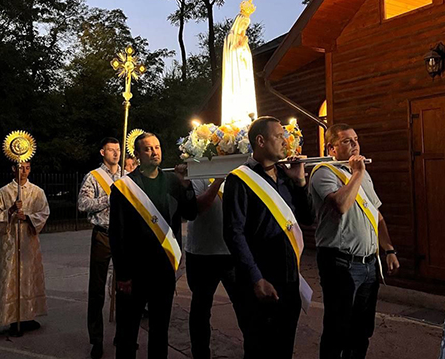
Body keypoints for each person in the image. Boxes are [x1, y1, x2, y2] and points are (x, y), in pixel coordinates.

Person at [223, 116, 314, 359]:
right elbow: (234, 234)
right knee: (259, 348)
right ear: (260, 141)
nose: (285, 141)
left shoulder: (286, 177)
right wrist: (256, 279)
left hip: (289, 277)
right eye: (279, 136)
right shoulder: (238, 180)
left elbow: (308, 218)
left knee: (284, 347)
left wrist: (301, 181)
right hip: (260, 280)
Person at [309, 123, 400, 359]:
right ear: (331, 147)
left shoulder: (360, 172)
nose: (355, 144)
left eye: (356, 139)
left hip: (369, 263)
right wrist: (357, 174)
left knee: (362, 331)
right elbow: (341, 205)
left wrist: (389, 249)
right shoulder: (324, 172)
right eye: (347, 141)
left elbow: (376, 214)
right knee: (337, 330)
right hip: (340, 262)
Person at [109, 132, 197, 359]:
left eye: (157, 147)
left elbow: (191, 212)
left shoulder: (172, 182)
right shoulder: (124, 187)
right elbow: (117, 234)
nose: (154, 152)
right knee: (127, 332)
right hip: (134, 271)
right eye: (147, 149)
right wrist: (123, 274)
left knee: (160, 332)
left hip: (163, 270)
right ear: (137, 155)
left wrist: (187, 185)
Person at [0, 161, 50, 336]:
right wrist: (10, 212)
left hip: (28, 241)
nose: (24, 171)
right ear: (13, 168)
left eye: (28, 167)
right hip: (10, 242)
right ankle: (12, 319)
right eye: (21, 167)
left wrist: (28, 217)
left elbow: (44, 212)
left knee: (28, 276)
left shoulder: (37, 192)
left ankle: (28, 316)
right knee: (11, 277)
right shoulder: (4, 192)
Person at [78, 137, 123, 359]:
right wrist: (108, 198)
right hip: (103, 235)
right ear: (102, 152)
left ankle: (123, 333)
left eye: (118, 150)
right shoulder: (94, 177)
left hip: (124, 236)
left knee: (124, 286)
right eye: (111, 150)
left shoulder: (127, 176)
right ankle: (96, 339)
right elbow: (82, 204)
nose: (116, 153)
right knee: (97, 290)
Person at [185, 178, 241, 359]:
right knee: (200, 310)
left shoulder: (239, 172)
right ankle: (200, 354)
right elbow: (197, 208)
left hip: (232, 252)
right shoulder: (198, 173)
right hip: (202, 253)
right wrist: (217, 180)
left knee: (245, 306)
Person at [221, 0, 257, 126]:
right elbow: (231, 54)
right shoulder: (231, 38)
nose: (244, 29)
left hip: (244, 74)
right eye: (242, 25)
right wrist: (238, 48)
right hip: (235, 74)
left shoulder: (244, 41)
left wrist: (244, 50)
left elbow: (247, 57)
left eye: (246, 26)